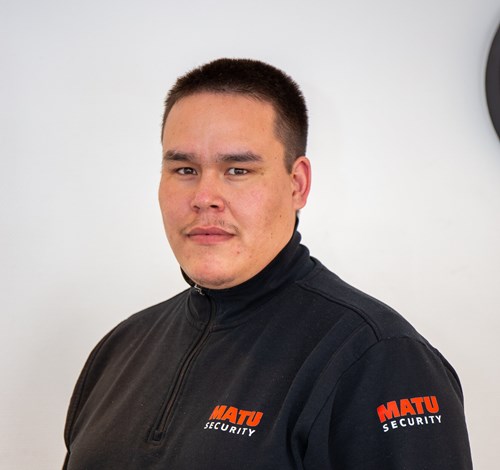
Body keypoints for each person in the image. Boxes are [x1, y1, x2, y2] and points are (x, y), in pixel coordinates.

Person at [63, 58, 473, 469]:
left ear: (298, 184)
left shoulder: (379, 359)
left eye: (237, 170)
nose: (204, 197)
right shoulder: (119, 349)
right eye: (185, 169)